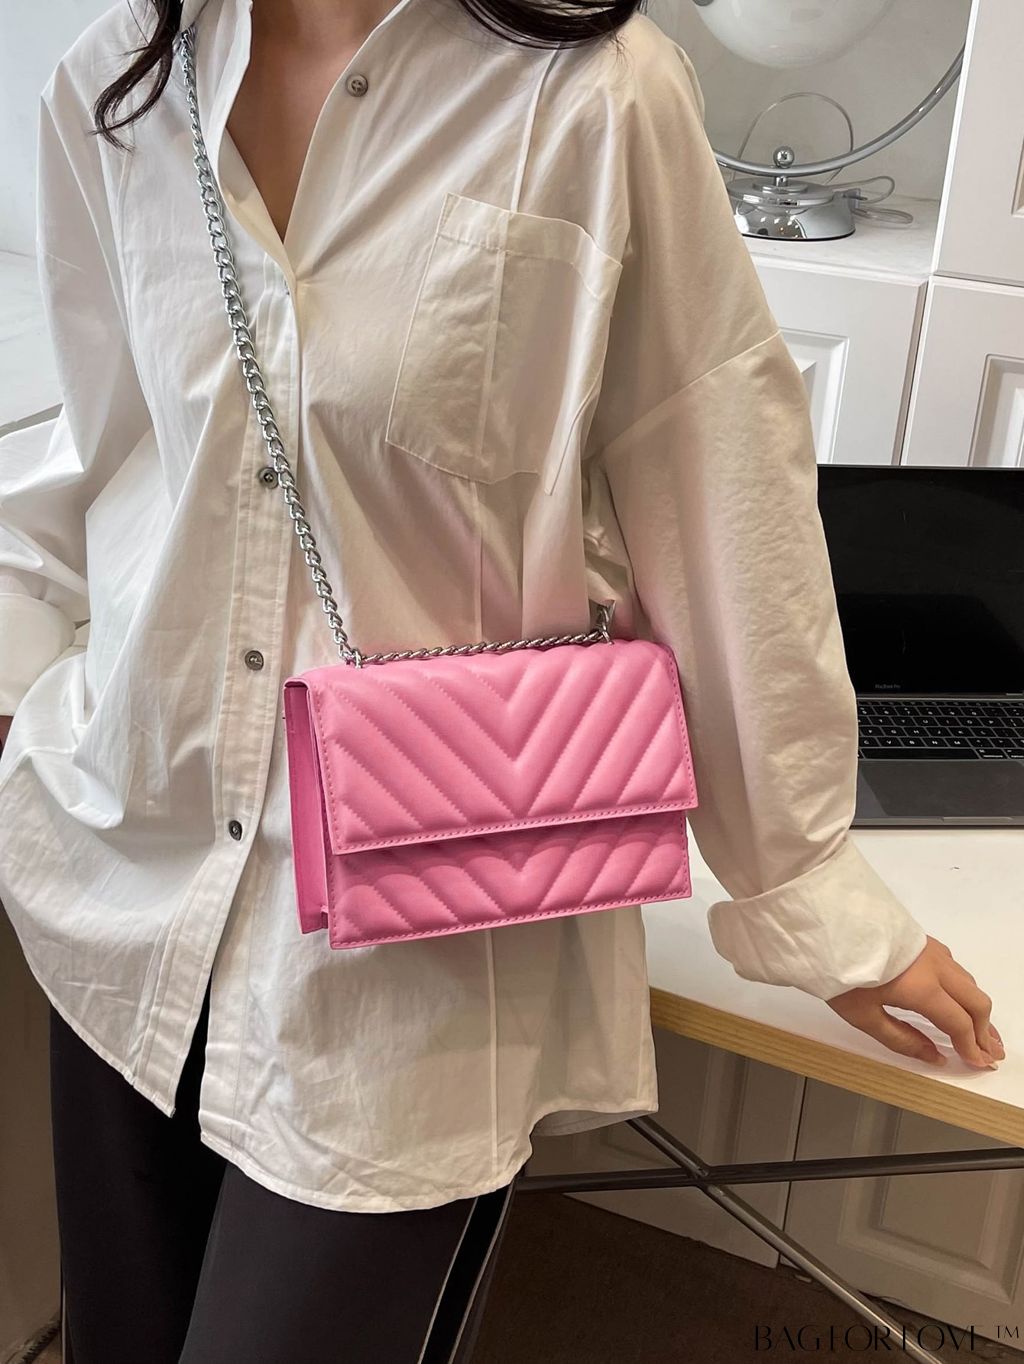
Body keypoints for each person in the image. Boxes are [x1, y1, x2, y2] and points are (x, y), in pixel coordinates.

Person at [0, 0, 1003, 1357]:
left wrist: (808, 886)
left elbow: (715, 476)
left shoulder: (596, 94)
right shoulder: (120, 78)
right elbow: (105, 444)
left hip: (414, 946)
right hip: (131, 852)